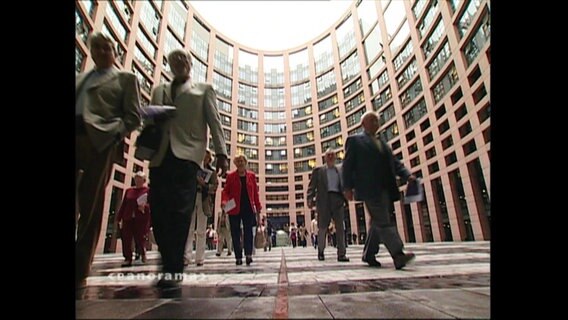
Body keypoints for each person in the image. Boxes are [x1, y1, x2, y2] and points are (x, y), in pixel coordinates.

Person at [147, 48, 228, 288]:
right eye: (175, 60)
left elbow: (215, 121)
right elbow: (150, 122)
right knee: (159, 210)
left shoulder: (203, 90)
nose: (180, 63)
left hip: (188, 156)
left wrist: (221, 153)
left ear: (190, 64)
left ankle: (172, 267)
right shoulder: (158, 90)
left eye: (184, 59)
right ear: (169, 65)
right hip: (161, 155)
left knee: (181, 211)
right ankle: (168, 257)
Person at [75, 32, 142, 290]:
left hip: (100, 143)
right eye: (98, 48)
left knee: (91, 204)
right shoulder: (80, 79)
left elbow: (134, 117)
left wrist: (112, 132)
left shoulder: (126, 79)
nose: (104, 52)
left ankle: (80, 267)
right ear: (90, 52)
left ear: (115, 51)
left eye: (108, 47)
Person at [342, 111, 416, 270]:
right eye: (372, 120)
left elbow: (395, 163)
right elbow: (347, 166)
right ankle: (398, 254)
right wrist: (347, 187)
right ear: (364, 123)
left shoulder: (383, 143)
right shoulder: (354, 141)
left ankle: (368, 254)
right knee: (383, 220)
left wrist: (407, 175)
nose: (376, 123)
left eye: (377, 121)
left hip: (385, 189)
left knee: (377, 222)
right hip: (368, 189)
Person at [307, 149, 349, 262]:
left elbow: (345, 184)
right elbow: (312, 187)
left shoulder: (340, 170)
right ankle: (321, 251)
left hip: (338, 200)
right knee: (322, 228)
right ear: (325, 157)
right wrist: (310, 199)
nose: (330, 157)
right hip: (323, 202)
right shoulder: (318, 171)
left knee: (340, 228)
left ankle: (341, 254)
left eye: (332, 155)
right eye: (328, 155)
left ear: (335, 157)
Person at [221, 154, 262, 266]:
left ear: (246, 163)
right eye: (238, 161)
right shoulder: (231, 176)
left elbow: (255, 194)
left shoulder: (252, 176)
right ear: (235, 164)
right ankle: (238, 256)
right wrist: (224, 202)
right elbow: (225, 191)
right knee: (235, 233)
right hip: (234, 207)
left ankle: (248, 255)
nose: (240, 163)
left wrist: (258, 208)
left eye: (242, 161)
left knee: (248, 232)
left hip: (248, 207)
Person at [184, 149, 219, 267]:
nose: (204, 158)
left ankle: (200, 258)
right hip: (192, 198)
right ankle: (186, 257)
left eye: (207, 156)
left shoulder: (212, 172)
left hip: (204, 200)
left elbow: (215, 187)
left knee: (201, 230)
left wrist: (205, 185)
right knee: (189, 228)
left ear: (209, 159)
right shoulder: (192, 168)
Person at [116, 171, 151, 266]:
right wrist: (119, 218)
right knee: (126, 238)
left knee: (140, 238)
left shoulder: (147, 191)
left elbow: (152, 205)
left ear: (143, 181)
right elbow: (124, 204)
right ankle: (127, 258)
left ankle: (142, 253)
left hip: (141, 218)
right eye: (136, 179)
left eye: (140, 180)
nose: (137, 181)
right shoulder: (129, 191)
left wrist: (145, 207)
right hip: (128, 217)